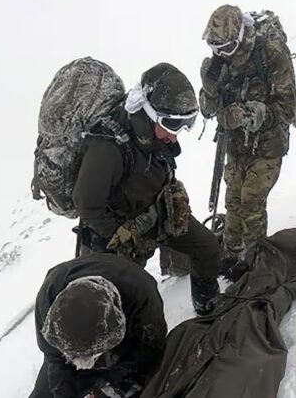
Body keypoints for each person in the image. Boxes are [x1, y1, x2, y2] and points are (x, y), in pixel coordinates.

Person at [72, 63, 220, 315]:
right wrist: (123, 238)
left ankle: (207, 307)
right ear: (150, 114)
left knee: (207, 247)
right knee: (121, 302)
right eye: (173, 125)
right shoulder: (108, 147)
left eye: (185, 124)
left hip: (158, 214)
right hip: (119, 235)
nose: (177, 135)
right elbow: (86, 203)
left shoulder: (151, 134)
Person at [199, 5, 296, 270]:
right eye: (216, 48)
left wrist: (247, 113)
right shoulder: (220, 64)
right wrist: (209, 87)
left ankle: (256, 261)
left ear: (241, 38)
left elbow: (286, 108)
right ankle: (232, 255)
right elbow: (208, 111)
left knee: (251, 201)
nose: (222, 55)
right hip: (236, 145)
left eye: (227, 48)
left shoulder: (271, 55)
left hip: (268, 144)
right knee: (232, 201)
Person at [29, 253, 167, 398]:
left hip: (127, 343)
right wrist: (62, 392)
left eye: (90, 358)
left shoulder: (143, 298)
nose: (83, 366)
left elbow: (150, 352)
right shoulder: (49, 297)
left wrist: (115, 382)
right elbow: (54, 356)